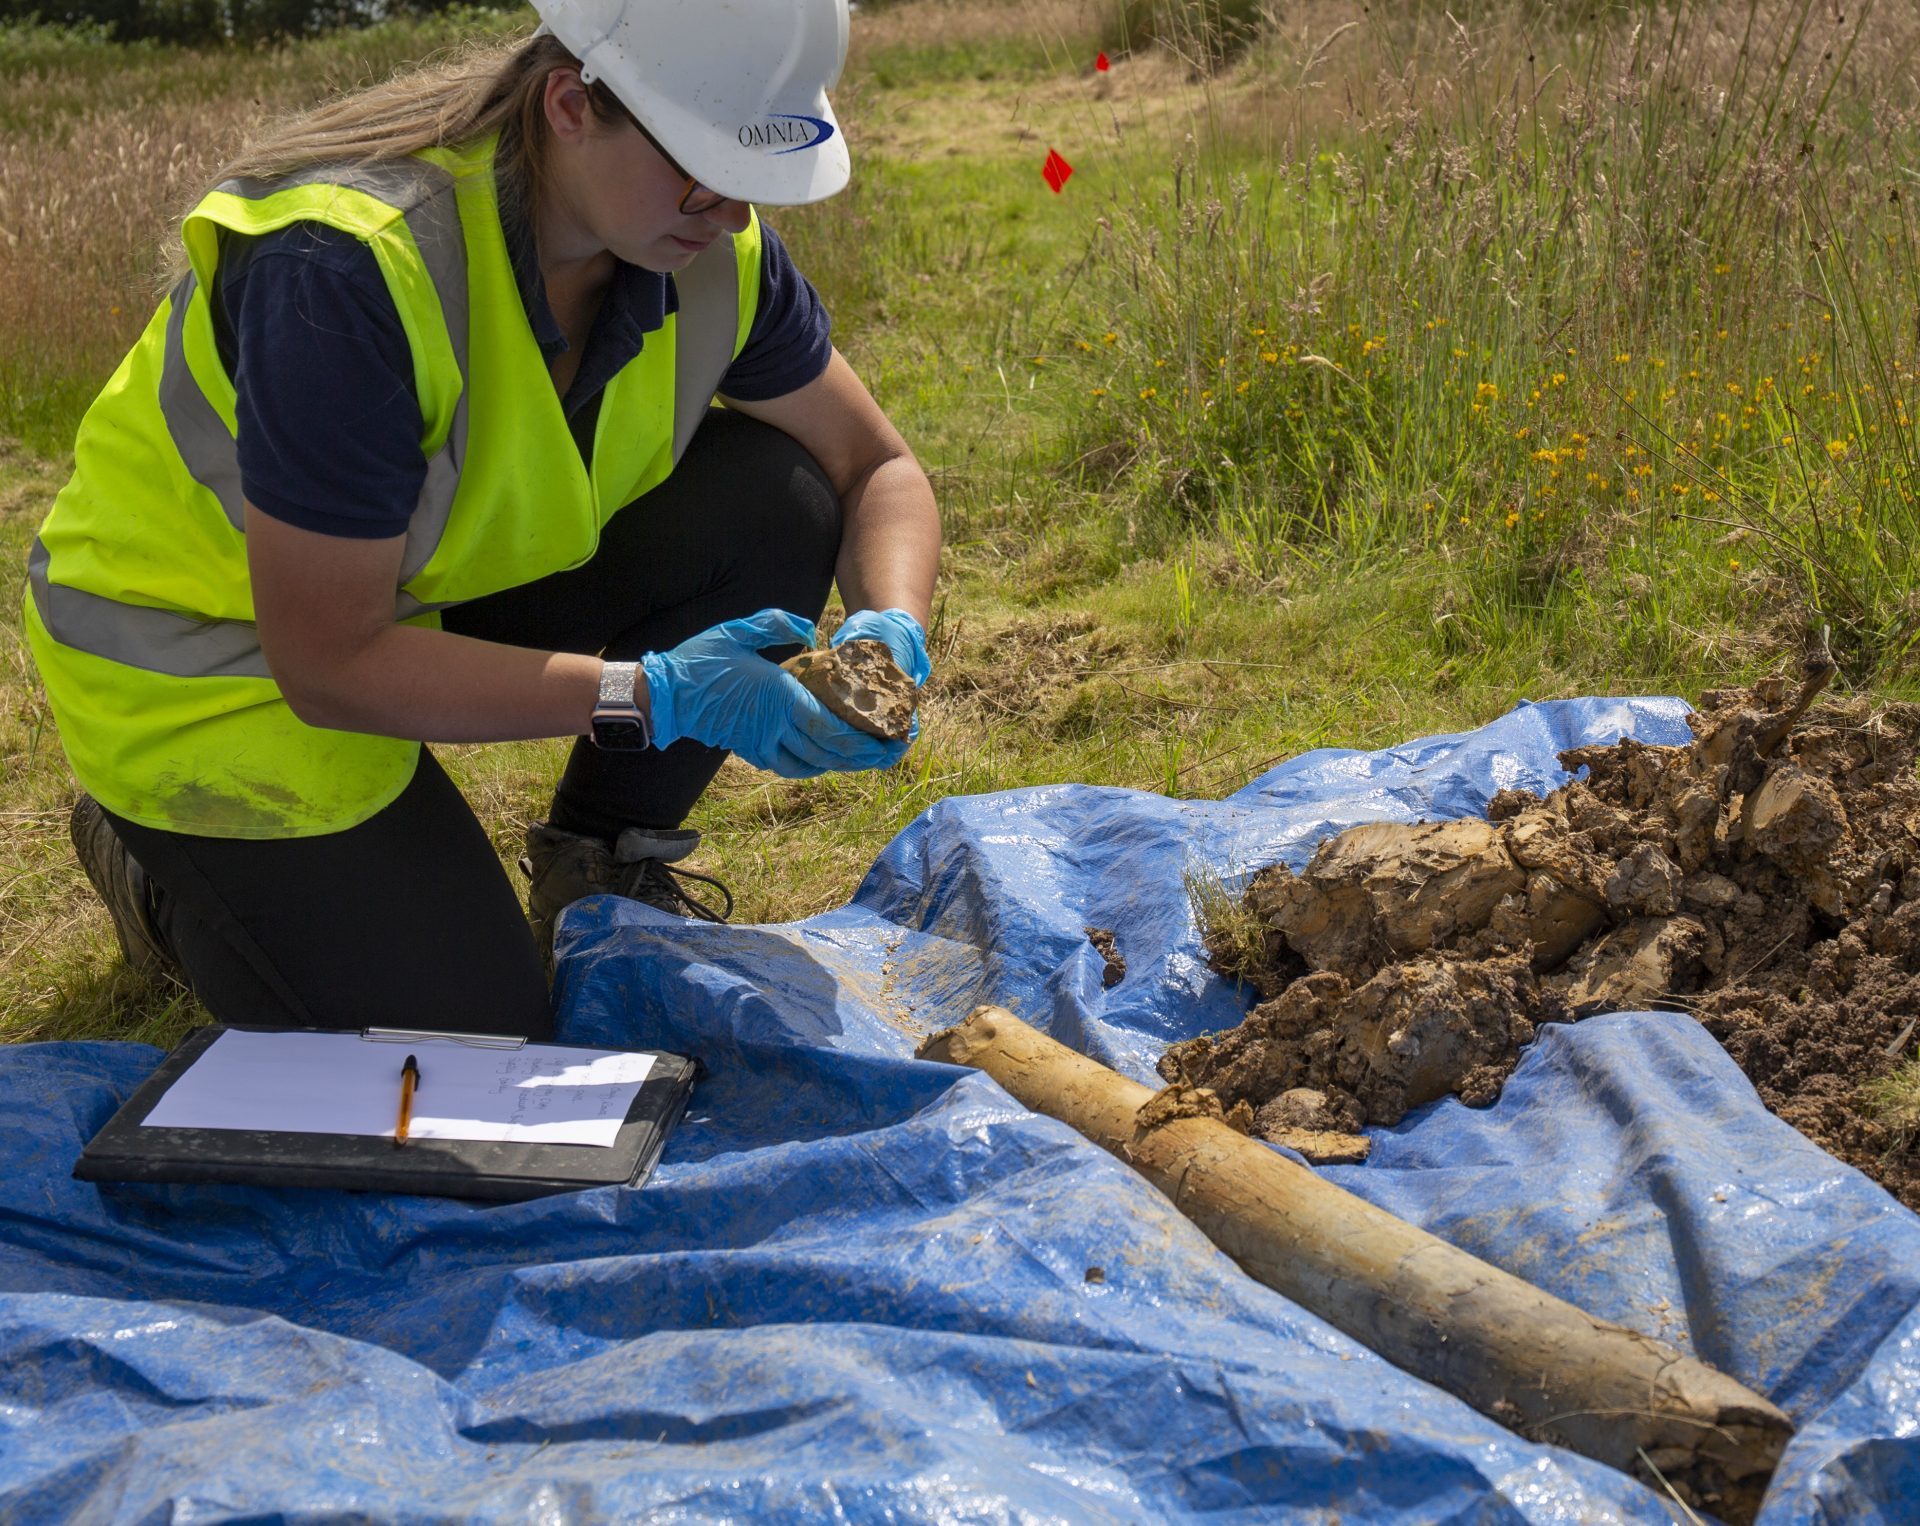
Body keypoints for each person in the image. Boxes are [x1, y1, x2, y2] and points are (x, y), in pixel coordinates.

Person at [24, 0, 939, 1042]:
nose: (731, 214)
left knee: (780, 497)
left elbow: (877, 466)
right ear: (569, 106)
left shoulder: (700, 246)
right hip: (208, 669)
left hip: (405, 592)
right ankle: (162, 874)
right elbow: (327, 664)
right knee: (472, 1046)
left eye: (756, 178)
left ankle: (599, 867)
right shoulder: (343, 265)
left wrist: (889, 628)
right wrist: (654, 694)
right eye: (705, 165)